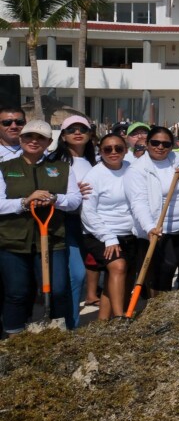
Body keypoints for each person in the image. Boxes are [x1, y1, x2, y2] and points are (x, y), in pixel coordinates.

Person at [0, 119, 82, 333]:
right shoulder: (5, 168)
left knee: (57, 291)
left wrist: (55, 199)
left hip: (53, 238)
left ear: (48, 143)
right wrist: (24, 202)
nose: (34, 141)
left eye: (41, 138)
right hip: (13, 240)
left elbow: (74, 199)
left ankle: (59, 336)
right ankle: (14, 338)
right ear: (21, 139)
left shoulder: (61, 168)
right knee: (17, 292)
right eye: (29, 136)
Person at [127, 125, 179, 295]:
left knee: (174, 273)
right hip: (156, 230)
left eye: (166, 144)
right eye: (155, 143)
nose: (160, 147)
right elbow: (138, 202)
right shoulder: (137, 169)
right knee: (159, 277)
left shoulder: (176, 159)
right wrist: (150, 227)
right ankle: (156, 313)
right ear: (147, 144)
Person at [81, 133, 136, 320]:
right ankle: (120, 317)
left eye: (118, 148)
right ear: (100, 151)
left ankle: (102, 322)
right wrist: (108, 237)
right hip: (100, 234)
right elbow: (88, 213)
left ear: (126, 150)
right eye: (107, 149)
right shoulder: (93, 176)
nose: (113, 152)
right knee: (118, 267)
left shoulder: (132, 169)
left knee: (119, 277)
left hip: (129, 233)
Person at [47, 115, 94, 321]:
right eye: (71, 130)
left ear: (89, 135)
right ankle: (68, 323)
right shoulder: (53, 161)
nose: (77, 133)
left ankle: (71, 322)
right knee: (74, 275)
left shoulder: (96, 160)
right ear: (63, 136)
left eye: (82, 129)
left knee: (77, 276)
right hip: (60, 222)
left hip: (87, 223)